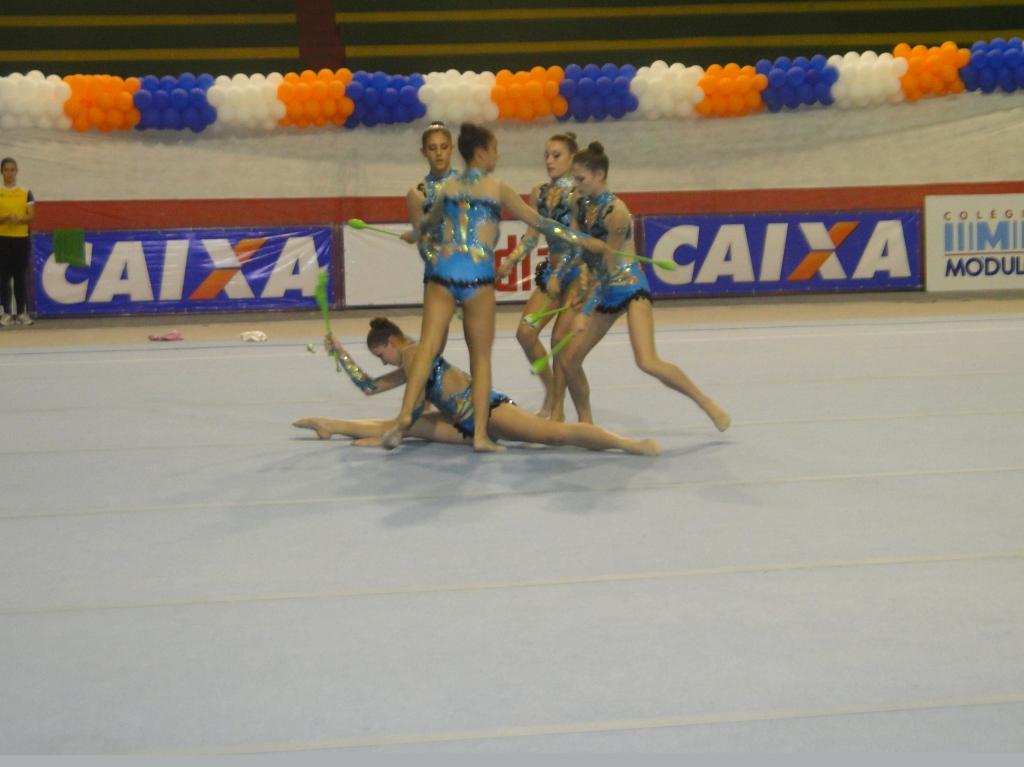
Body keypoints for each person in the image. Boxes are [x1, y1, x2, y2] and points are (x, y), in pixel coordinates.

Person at [383, 122, 601, 453]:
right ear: (482, 152)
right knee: (481, 358)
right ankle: (481, 436)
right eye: (495, 150)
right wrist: (583, 239)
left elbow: (427, 225)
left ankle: (404, 415)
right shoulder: (497, 188)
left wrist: (413, 235)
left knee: (427, 347)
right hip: (476, 277)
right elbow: (541, 223)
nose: (497, 156)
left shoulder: (449, 187)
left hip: (442, 273)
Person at [551, 142, 731, 431]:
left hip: (629, 286)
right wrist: (578, 284)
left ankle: (706, 403)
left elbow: (608, 266)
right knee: (569, 361)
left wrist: (585, 311)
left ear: (599, 175)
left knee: (647, 361)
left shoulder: (617, 212)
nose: (576, 184)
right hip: (603, 290)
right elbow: (582, 250)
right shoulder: (578, 203)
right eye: (574, 178)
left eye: (581, 178)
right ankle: (587, 424)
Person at [293, 317, 660, 456]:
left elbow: (415, 406)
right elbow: (370, 388)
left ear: (391, 342)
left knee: (554, 435)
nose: (383, 363)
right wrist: (341, 355)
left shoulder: (415, 353)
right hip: (462, 424)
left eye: (380, 355)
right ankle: (328, 424)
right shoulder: (409, 364)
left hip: (488, 412)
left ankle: (627, 444)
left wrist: (392, 437)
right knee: (396, 424)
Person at [496, 131, 587, 419]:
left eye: (556, 155)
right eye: (546, 155)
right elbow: (532, 235)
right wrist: (512, 259)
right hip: (553, 271)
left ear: (572, 158)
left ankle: (559, 407)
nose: (549, 161)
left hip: (578, 272)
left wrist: (562, 272)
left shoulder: (579, 194)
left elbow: (580, 241)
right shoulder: (539, 192)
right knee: (525, 333)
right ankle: (550, 390)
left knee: (559, 341)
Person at [0, 157, 35, 327]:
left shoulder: (26, 192)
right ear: (2, 172)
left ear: (17, 171)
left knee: (20, 276)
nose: (9, 173)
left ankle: (21, 313)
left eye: (12, 169)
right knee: (3, 277)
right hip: (3, 239)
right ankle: (6, 313)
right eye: (6, 169)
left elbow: (31, 216)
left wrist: (19, 220)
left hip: (21, 239)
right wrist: (5, 218)